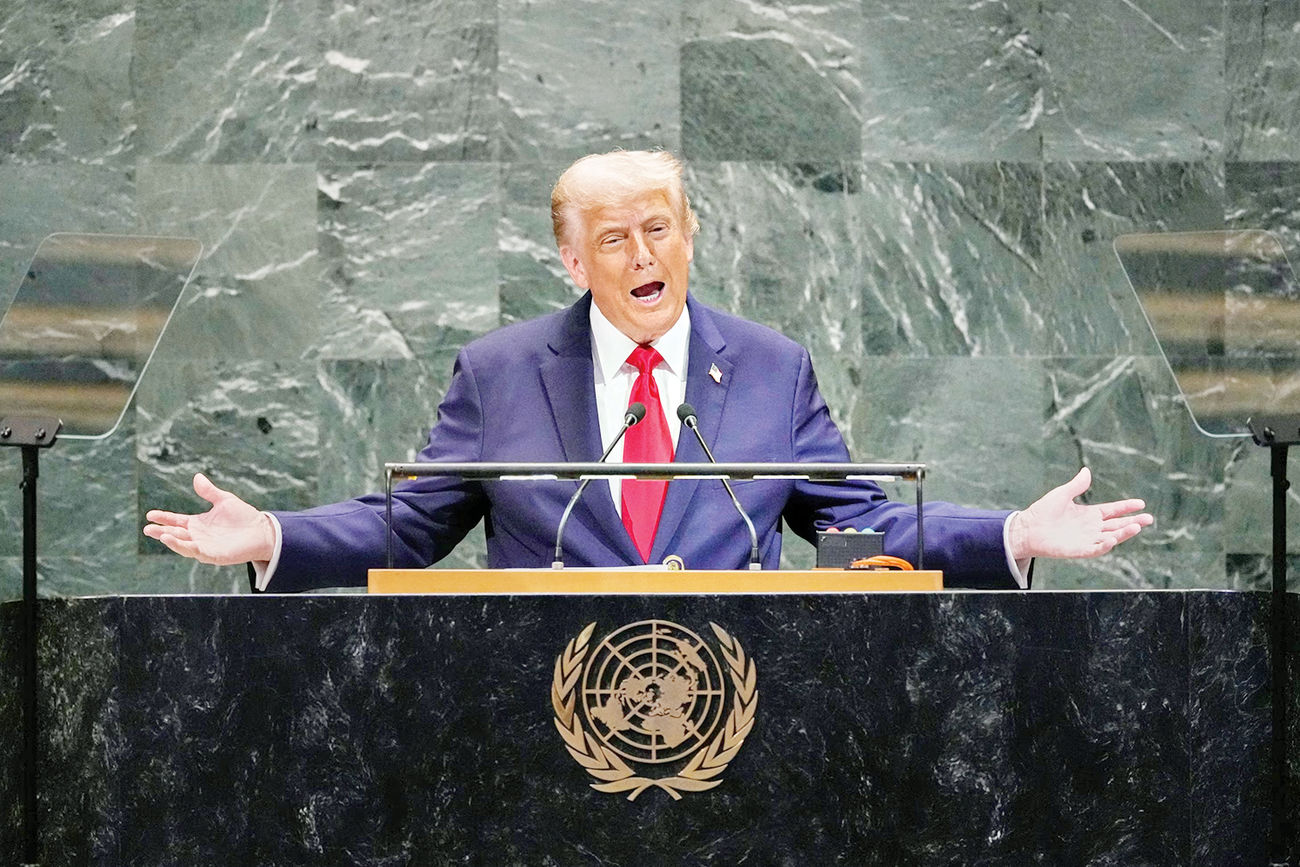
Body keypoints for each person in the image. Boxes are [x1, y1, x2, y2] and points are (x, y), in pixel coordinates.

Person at [143, 150, 1153, 591]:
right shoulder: (500, 373)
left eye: (659, 230)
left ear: (689, 236)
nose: (643, 257)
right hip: (533, 704)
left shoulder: (771, 369)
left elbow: (862, 531)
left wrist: (1013, 535)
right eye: (615, 239)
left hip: (734, 699)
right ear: (573, 261)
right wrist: (272, 536)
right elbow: (409, 525)